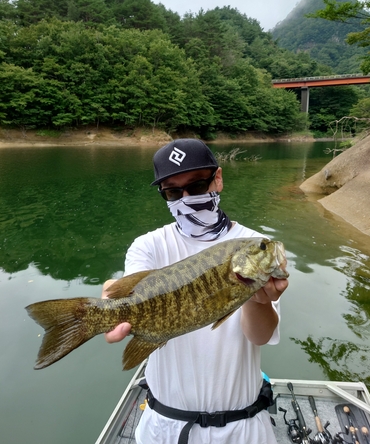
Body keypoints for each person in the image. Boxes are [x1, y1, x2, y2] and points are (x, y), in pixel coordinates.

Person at [102, 138, 288, 444]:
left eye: (198, 185)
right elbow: (130, 288)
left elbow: (261, 337)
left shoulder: (254, 244)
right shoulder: (149, 245)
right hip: (165, 426)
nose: (186, 197)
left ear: (218, 178)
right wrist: (112, 300)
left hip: (242, 428)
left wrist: (256, 300)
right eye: (174, 191)